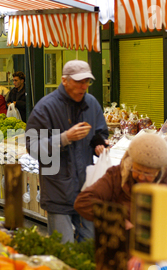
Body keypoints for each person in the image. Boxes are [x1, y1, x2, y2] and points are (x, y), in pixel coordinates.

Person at [74, 133, 167, 270]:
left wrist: (153, 225)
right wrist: (118, 219)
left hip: (162, 259)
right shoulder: (117, 174)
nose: (141, 177)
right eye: (137, 170)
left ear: (159, 170)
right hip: (122, 256)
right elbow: (83, 202)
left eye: (148, 174)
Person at [26, 60, 109, 244]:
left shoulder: (92, 104)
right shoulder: (45, 107)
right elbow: (32, 146)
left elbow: (100, 132)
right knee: (64, 249)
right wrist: (64, 138)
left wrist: (99, 144)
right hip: (57, 190)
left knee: (89, 246)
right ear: (64, 80)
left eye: (87, 81)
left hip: (86, 189)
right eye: (79, 82)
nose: (83, 86)